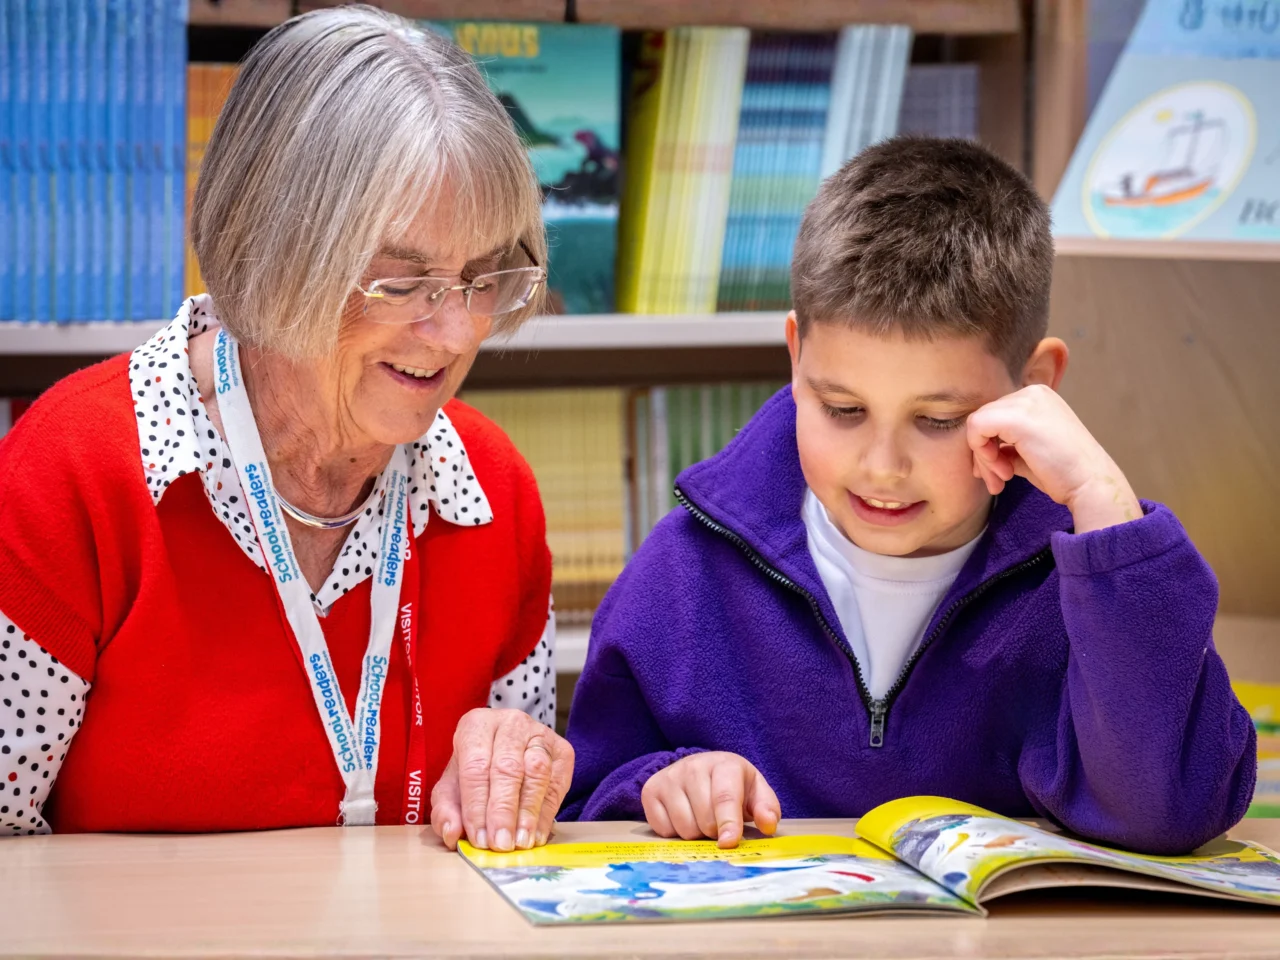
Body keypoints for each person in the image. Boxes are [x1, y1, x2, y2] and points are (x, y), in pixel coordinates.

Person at [562, 137, 1256, 855]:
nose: (884, 467)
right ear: (797, 358)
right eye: (842, 409)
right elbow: (587, 795)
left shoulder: (1083, 579)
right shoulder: (686, 567)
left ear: (1036, 387)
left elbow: (1171, 810)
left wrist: (1102, 507)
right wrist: (665, 782)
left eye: (937, 421)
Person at [0, 7, 574, 849]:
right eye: (400, 281)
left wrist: (518, 774)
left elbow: (511, 839)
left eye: (485, 277)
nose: (456, 334)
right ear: (271, 251)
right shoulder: (72, 472)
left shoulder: (492, 493)